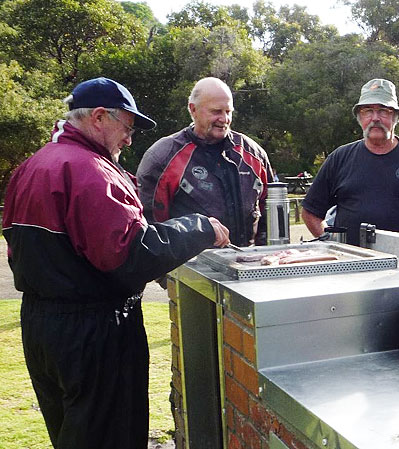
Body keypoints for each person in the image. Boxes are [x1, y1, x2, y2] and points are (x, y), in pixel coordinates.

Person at [2, 77, 230, 449]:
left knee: (71, 434)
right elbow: (130, 255)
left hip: (41, 326)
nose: (128, 139)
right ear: (98, 117)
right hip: (94, 330)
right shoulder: (90, 171)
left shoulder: (31, 167)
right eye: (126, 127)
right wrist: (199, 227)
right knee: (113, 435)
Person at [301, 78, 399, 245]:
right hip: (352, 264)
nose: (375, 118)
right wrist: (332, 245)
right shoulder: (339, 158)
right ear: (359, 117)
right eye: (368, 111)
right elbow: (310, 212)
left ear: (396, 117)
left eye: (384, 111)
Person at [137, 77, 273, 246]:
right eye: (216, 111)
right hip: (190, 268)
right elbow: (149, 229)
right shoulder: (163, 157)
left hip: (249, 264)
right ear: (193, 109)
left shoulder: (254, 154)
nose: (224, 119)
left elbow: (271, 215)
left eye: (228, 111)